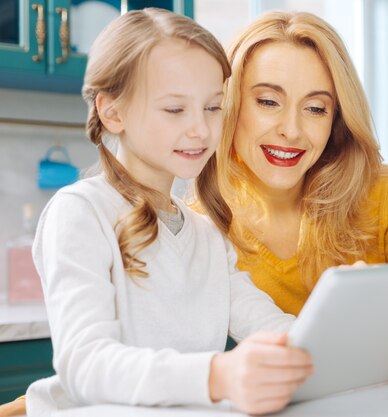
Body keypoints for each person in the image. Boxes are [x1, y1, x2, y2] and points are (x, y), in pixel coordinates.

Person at [8, 8, 312, 417]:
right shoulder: (81, 213)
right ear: (112, 113)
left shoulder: (206, 235)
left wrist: (368, 339)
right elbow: (86, 365)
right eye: (174, 109)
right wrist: (217, 375)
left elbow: (272, 328)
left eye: (212, 107)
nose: (201, 130)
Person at [208, 10, 388, 378]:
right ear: (229, 106)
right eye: (268, 102)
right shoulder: (201, 228)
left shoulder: (382, 198)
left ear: (336, 121)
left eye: (315, 108)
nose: (292, 131)